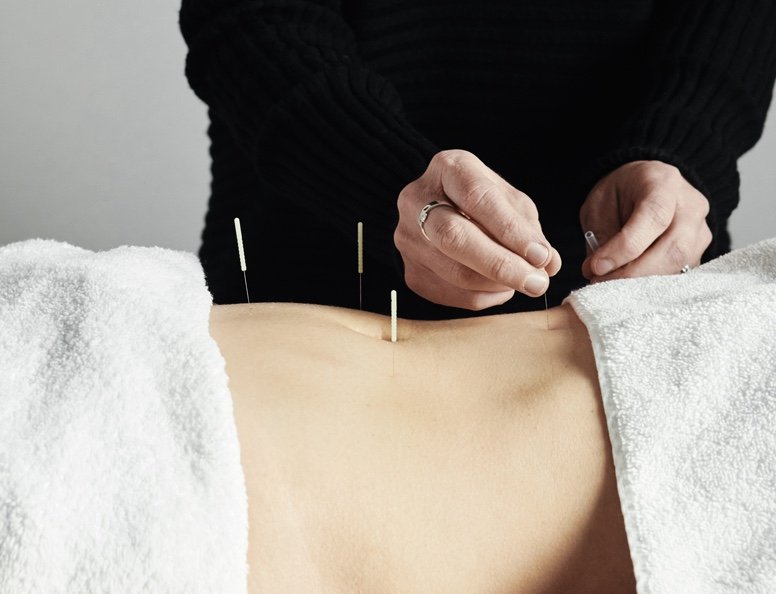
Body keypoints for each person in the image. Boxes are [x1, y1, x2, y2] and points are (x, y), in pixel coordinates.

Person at [179, 0, 776, 319]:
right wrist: (385, 180)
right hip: (315, 297)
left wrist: (678, 151)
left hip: (637, 306)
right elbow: (250, 23)